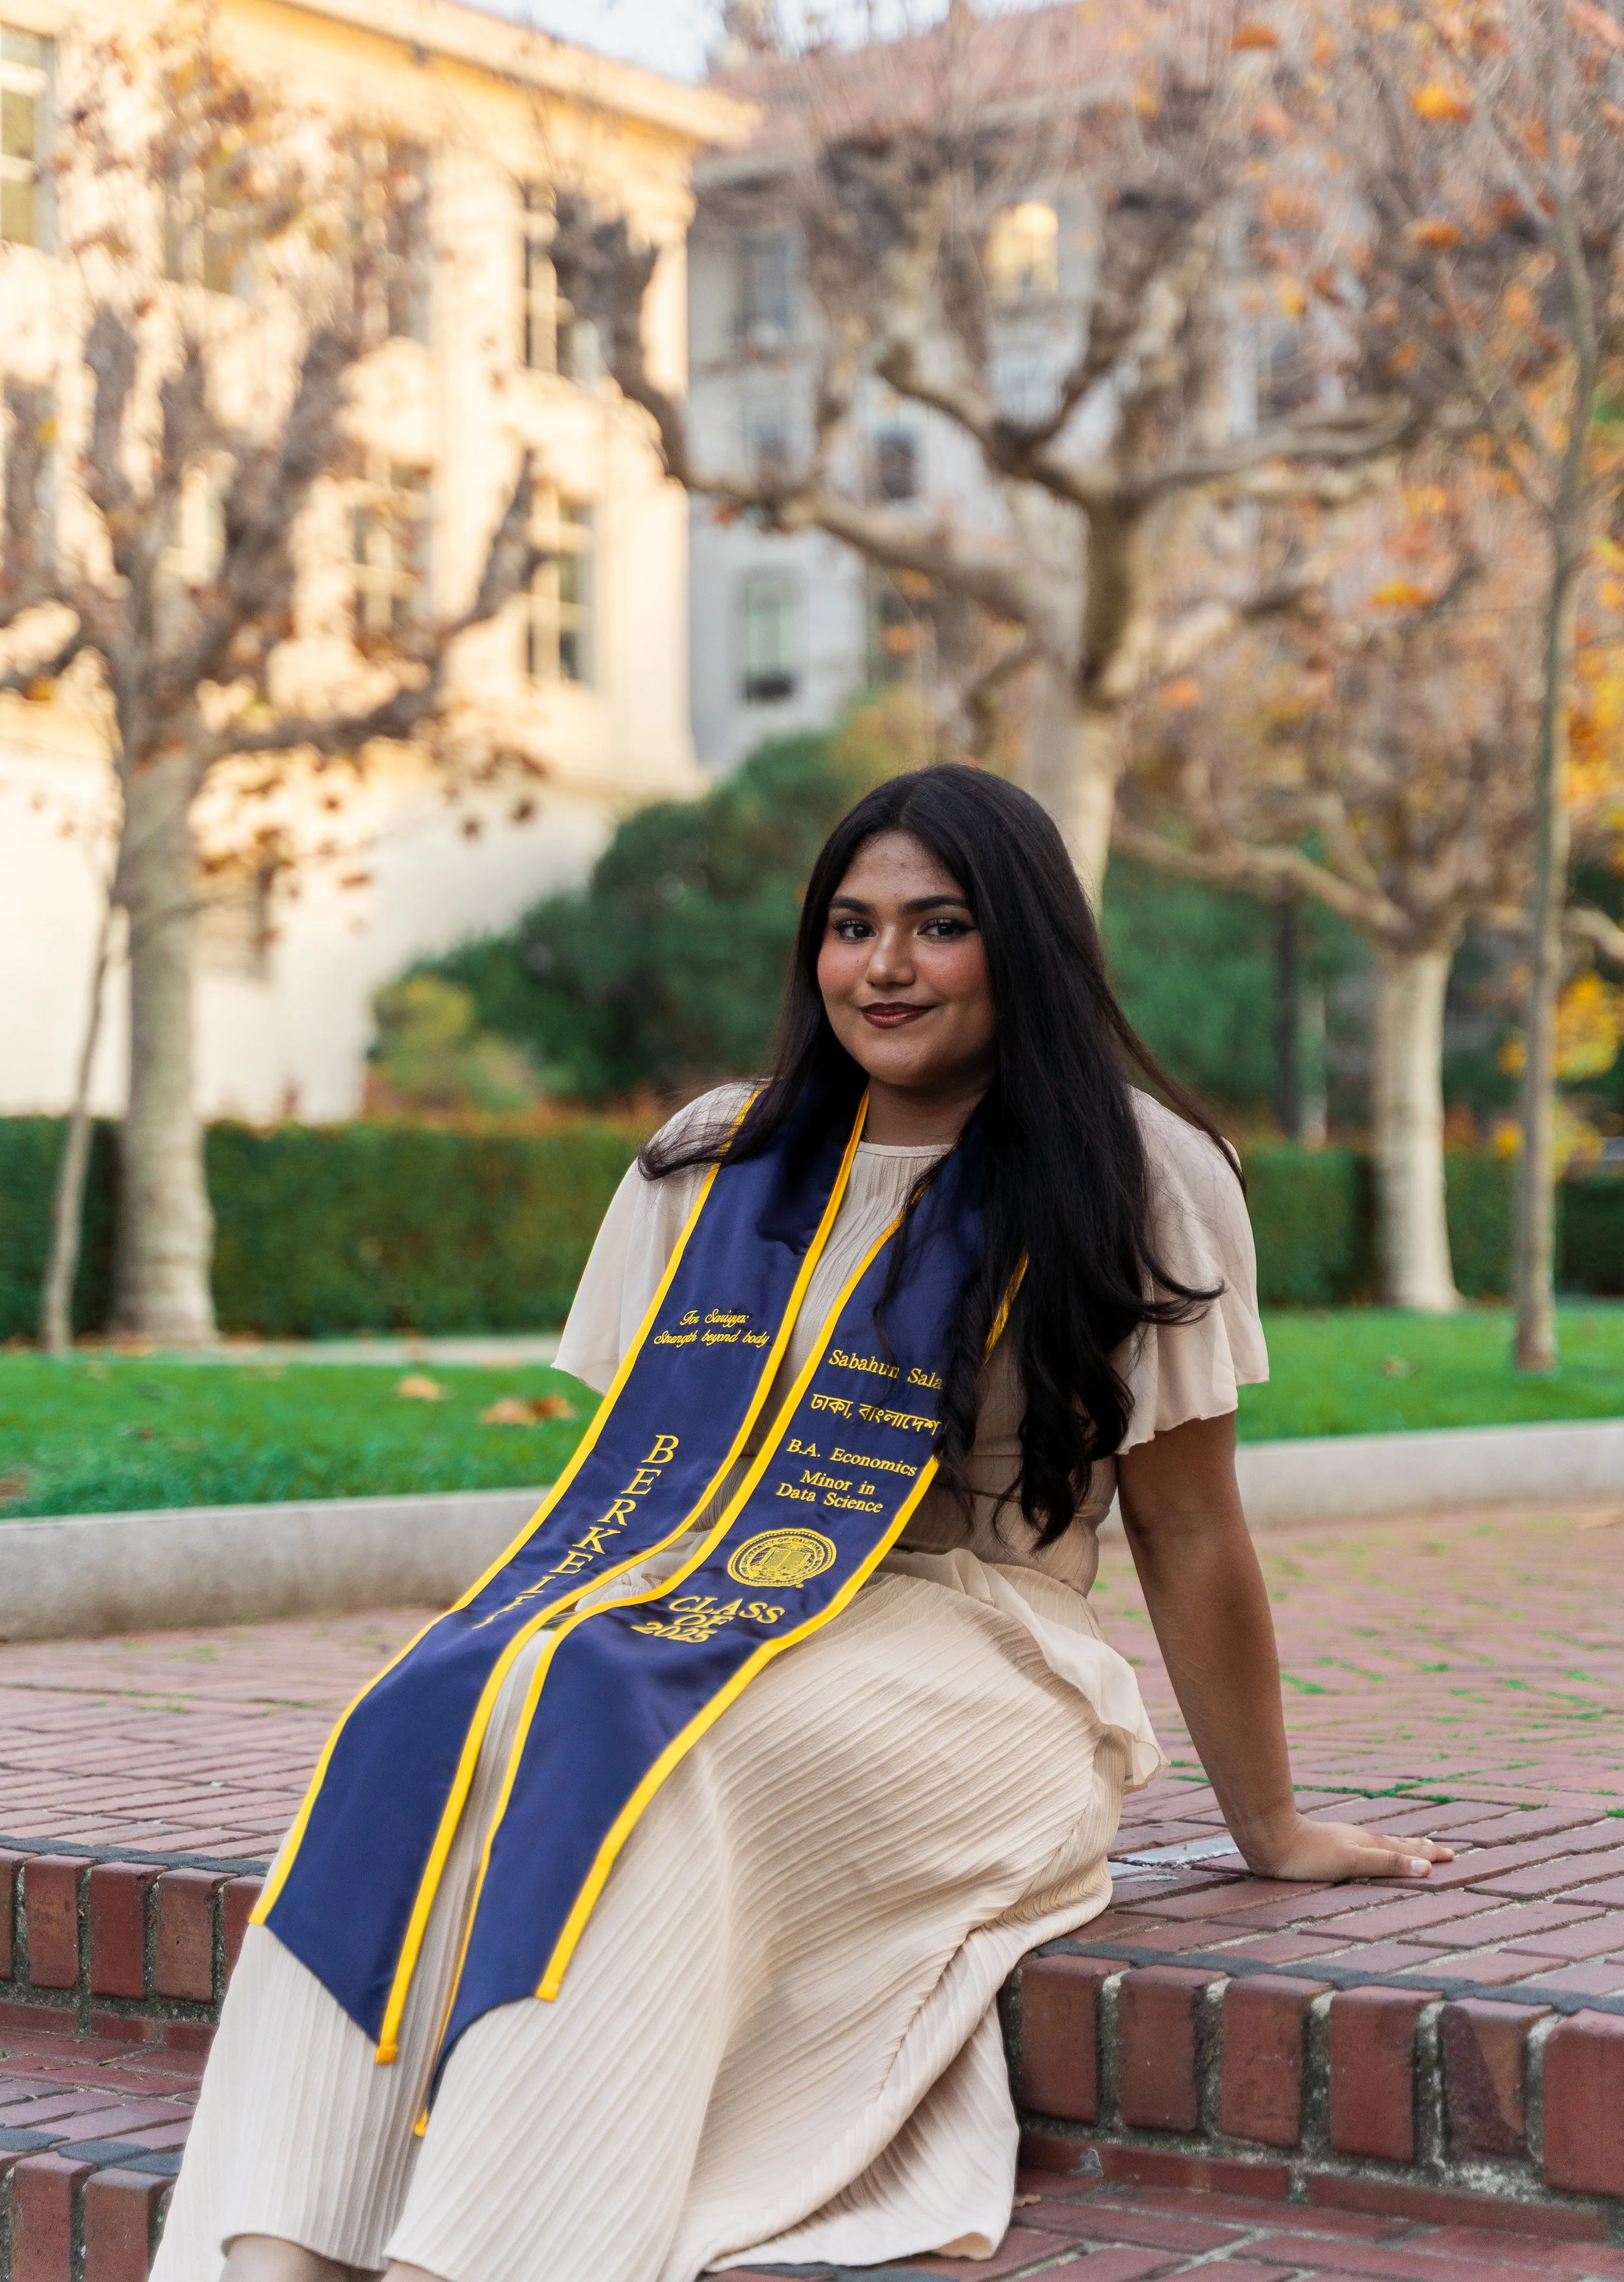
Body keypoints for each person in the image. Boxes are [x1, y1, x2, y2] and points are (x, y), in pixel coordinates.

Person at [154, 765, 1451, 2282]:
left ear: (1022, 944)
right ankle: (279, 2247)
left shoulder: (1135, 1167)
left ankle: (495, 2246)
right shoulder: (716, 1160)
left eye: (937, 926)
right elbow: (644, 1473)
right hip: (699, 1601)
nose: (882, 966)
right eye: (850, 926)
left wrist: (1267, 1825)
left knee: (671, 1754)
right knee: (428, 1704)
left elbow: (1188, 1529)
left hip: (983, 1653)